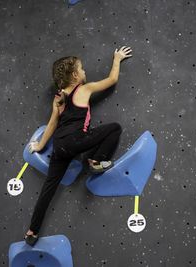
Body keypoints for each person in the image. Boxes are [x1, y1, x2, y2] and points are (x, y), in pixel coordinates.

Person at [24, 46, 133, 246]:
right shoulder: (83, 89)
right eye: (82, 69)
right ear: (75, 75)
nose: (85, 72)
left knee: (48, 190)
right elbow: (111, 80)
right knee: (115, 128)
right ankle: (95, 161)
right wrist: (117, 59)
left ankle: (32, 232)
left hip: (60, 147)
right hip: (77, 142)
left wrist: (39, 146)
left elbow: (52, 125)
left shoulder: (58, 99)